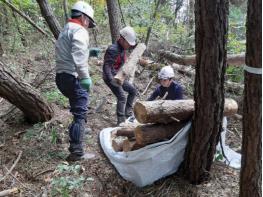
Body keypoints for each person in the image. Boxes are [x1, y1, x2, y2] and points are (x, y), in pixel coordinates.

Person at [55, 1, 96, 161]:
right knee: (80, 112)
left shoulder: (66, 29)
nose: (88, 25)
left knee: (77, 107)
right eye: (88, 22)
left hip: (61, 77)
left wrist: (89, 52)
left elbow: (69, 50)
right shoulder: (79, 30)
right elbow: (78, 53)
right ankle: (76, 152)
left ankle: (80, 129)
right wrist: (85, 77)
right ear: (84, 17)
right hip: (72, 76)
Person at [103, 26, 138, 125]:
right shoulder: (113, 49)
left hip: (119, 76)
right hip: (110, 77)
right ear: (122, 39)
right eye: (128, 43)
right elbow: (106, 67)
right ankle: (120, 121)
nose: (129, 46)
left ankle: (127, 112)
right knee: (122, 96)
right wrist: (111, 80)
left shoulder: (122, 48)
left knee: (133, 90)